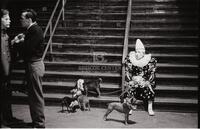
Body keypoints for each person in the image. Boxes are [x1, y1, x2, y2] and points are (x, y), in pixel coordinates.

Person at [12, 9, 45, 128]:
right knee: (32, 95)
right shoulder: (31, 30)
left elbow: (28, 49)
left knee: (36, 96)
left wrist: (17, 42)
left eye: (22, 18)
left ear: (29, 19)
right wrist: (21, 40)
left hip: (35, 65)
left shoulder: (35, 30)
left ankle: (40, 124)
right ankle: (36, 121)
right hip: (32, 65)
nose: (20, 20)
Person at [122, 39, 157, 116]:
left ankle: (150, 108)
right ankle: (129, 107)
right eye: (136, 52)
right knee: (130, 88)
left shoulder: (149, 60)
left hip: (144, 80)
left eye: (139, 52)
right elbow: (127, 72)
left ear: (143, 53)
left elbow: (152, 73)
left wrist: (147, 81)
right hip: (134, 79)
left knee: (148, 89)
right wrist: (130, 80)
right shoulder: (132, 59)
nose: (137, 54)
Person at [1, 9, 24, 127]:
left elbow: (7, 53)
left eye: (9, 18)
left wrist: (14, 42)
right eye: (6, 18)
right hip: (2, 73)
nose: (9, 20)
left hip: (7, 72)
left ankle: (8, 118)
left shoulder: (5, 34)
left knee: (6, 95)